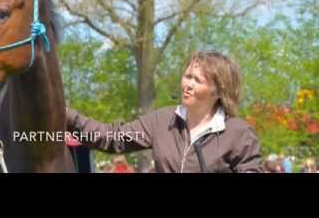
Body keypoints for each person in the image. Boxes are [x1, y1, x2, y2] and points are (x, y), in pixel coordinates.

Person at [66, 50, 263, 173]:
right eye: (187, 76)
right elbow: (112, 138)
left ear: (218, 91)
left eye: (198, 80)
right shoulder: (162, 121)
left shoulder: (238, 132)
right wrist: (65, 114)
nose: (188, 85)